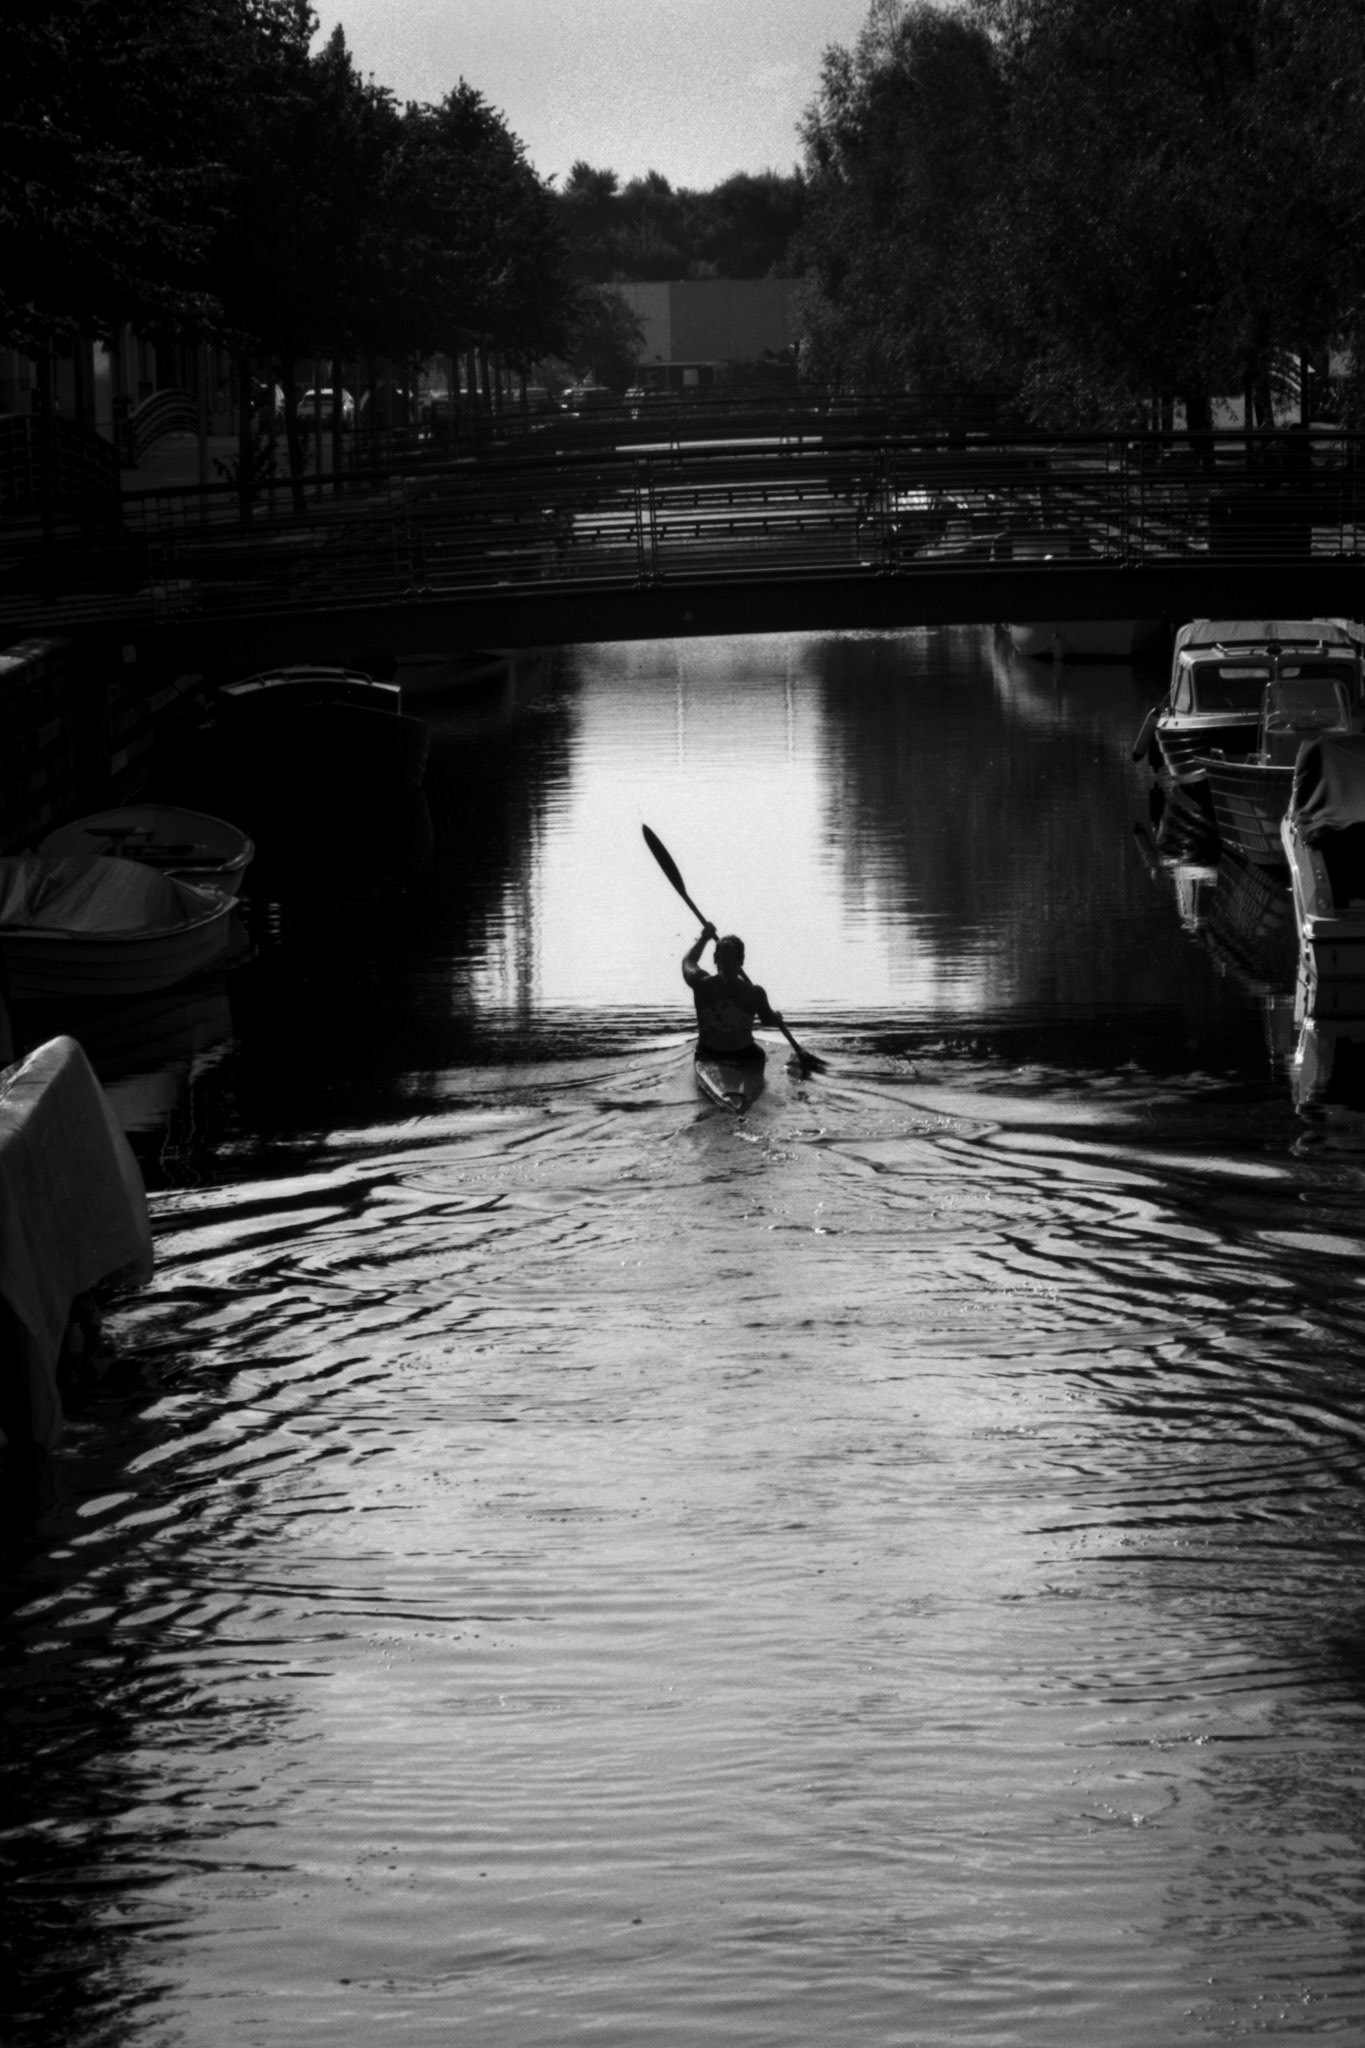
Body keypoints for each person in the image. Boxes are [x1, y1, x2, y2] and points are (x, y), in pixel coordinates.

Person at [682, 923, 783, 1062]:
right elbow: (768, 1021)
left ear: (715, 959)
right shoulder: (755, 993)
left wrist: (704, 938)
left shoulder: (701, 983)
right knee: (759, 1055)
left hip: (709, 1053)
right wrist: (776, 1017)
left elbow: (688, 961)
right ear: (741, 960)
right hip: (745, 1054)